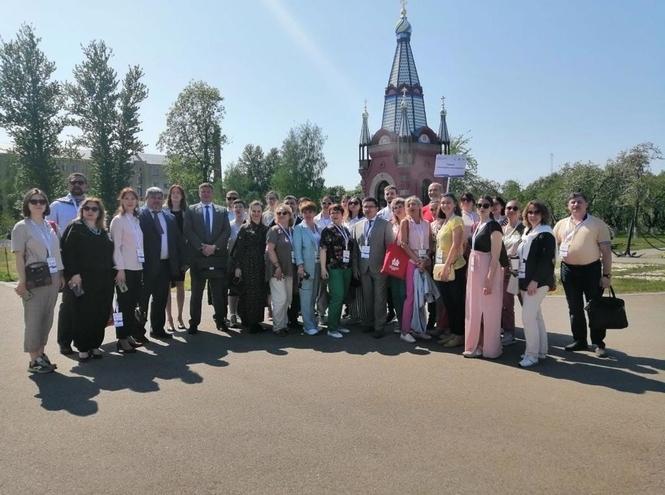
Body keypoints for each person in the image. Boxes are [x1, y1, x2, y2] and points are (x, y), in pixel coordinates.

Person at [553, 192, 613, 357]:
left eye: (579, 202)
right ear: (568, 206)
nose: (576, 205)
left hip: (591, 271)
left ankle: (598, 343)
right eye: (572, 202)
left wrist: (606, 275)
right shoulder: (560, 225)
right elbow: (552, 248)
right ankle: (579, 340)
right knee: (574, 308)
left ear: (587, 204)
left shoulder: (597, 224)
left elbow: (606, 252)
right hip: (568, 270)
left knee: (595, 308)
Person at [12, 189, 65, 373]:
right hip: (35, 278)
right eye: (33, 201)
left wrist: (61, 275)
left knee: (47, 318)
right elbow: (19, 257)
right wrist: (22, 281)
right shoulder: (22, 227)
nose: (38, 204)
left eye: (42, 201)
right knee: (33, 318)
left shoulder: (51, 226)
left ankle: (41, 354)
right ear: (27, 204)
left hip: (53, 276)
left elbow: (57, 253)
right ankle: (34, 359)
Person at [61, 197, 115, 362]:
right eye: (87, 208)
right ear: (82, 211)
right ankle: (83, 347)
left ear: (100, 212)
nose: (90, 211)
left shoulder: (102, 231)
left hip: (104, 279)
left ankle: (95, 344)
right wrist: (74, 274)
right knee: (83, 313)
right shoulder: (76, 227)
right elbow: (68, 252)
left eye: (94, 209)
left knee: (101, 311)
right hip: (83, 279)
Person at [47, 172, 88, 355]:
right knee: (69, 302)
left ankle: (85, 339)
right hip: (68, 260)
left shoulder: (92, 204)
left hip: (90, 261)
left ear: (86, 185)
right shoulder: (57, 206)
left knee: (87, 302)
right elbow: (49, 234)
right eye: (73, 182)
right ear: (68, 185)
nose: (77, 185)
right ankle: (65, 341)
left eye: (80, 182)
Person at [139, 187, 187, 340]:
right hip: (145, 265)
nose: (156, 200)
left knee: (160, 298)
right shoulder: (139, 215)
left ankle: (157, 329)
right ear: (146, 199)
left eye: (159, 198)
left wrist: (182, 261)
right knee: (142, 299)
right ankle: (138, 332)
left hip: (165, 265)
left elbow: (178, 240)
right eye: (153, 197)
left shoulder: (169, 218)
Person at [184, 182, 231, 335]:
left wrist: (214, 247)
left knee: (218, 292)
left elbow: (226, 231)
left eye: (208, 192)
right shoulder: (191, 210)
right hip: (198, 257)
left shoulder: (222, 211)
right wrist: (202, 246)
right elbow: (188, 230)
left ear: (213, 194)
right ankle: (194, 323)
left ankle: (220, 320)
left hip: (217, 256)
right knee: (196, 293)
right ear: (199, 193)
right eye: (203, 191)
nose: (205, 194)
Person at [463, 195, 503, 358]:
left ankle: (490, 348)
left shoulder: (494, 226)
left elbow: (495, 255)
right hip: (474, 269)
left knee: (489, 309)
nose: (482, 208)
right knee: (473, 308)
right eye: (479, 205)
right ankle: (474, 344)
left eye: (486, 205)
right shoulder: (476, 225)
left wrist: (489, 279)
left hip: (487, 268)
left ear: (491, 208)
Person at [517, 201, 556, 367]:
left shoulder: (545, 234)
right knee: (536, 316)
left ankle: (531, 355)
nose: (533, 215)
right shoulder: (527, 232)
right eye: (530, 212)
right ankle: (540, 351)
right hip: (525, 279)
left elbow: (546, 261)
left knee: (527, 317)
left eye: (537, 212)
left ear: (543, 214)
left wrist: (535, 281)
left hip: (538, 282)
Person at [351, 197, 394, 338]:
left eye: (371, 206)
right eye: (365, 206)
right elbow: (355, 249)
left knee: (380, 298)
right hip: (363, 268)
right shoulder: (357, 226)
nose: (368, 209)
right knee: (367, 298)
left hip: (380, 267)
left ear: (376, 209)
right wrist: (355, 267)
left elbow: (389, 248)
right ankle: (369, 322)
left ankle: (379, 325)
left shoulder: (385, 224)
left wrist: (386, 266)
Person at [109, 188, 144, 354]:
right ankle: (121, 338)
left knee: (131, 305)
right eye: (126, 198)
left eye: (133, 198)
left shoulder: (135, 220)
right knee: (123, 305)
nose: (130, 201)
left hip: (137, 268)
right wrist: (120, 268)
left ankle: (129, 334)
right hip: (124, 270)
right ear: (121, 201)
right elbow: (115, 247)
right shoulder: (118, 220)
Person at [434, 193, 467, 348]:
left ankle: (459, 335)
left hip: (454, 267)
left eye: (448, 202)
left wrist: (447, 266)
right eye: (442, 203)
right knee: (449, 303)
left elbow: (456, 245)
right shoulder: (445, 222)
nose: (445, 205)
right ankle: (454, 332)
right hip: (443, 268)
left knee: (457, 302)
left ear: (455, 204)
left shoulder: (456, 220)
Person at [398, 196, 432, 343]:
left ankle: (419, 329)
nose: (411, 206)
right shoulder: (405, 222)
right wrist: (417, 260)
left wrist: (425, 260)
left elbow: (430, 245)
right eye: (408, 204)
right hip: (412, 262)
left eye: (414, 204)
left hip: (424, 263)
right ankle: (405, 331)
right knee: (411, 297)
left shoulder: (426, 224)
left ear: (420, 206)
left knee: (421, 297)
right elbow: (403, 244)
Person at [233, 200, 269, 334]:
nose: (256, 213)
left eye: (259, 211)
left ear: (262, 212)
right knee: (249, 292)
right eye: (254, 211)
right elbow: (239, 249)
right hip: (247, 264)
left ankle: (256, 320)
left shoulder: (265, 229)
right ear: (250, 212)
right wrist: (238, 267)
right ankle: (249, 321)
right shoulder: (245, 228)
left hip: (261, 264)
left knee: (259, 292)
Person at [320, 203, 354, 338]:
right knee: (337, 296)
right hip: (334, 267)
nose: (334, 215)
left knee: (342, 296)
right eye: (332, 213)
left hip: (347, 267)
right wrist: (323, 268)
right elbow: (323, 249)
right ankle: (332, 328)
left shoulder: (345, 230)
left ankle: (337, 323)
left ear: (342, 214)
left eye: (337, 212)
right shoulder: (327, 230)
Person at [266, 203, 296, 336]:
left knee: (288, 299)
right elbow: (269, 249)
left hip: (290, 269)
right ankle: (277, 327)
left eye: (284, 213)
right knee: (280, 298)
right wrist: (277, 266)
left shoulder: (292, 231)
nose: (282, 215)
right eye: (279, 213)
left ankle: (284, 323)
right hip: (276, 269)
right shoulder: (274, 230)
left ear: (290, 215)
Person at [293, 201, 323, 335]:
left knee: (313, 296)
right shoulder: (299, 228)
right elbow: (297, 249)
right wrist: (300, 266)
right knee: (306, 296)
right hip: (305, 266)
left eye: (310, 211)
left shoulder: (318, 228)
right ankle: (307, 325)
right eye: (305, 212)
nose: (308, 214)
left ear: (314, 213)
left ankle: (313, 323)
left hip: (318, 265)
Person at [500, 200, 525, 345]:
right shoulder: (502, 229)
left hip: (521, 271)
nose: (511, 210)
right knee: (506, 305)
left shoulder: (525, 229)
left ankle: (533, 333)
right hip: (506, 271)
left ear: (520, 211)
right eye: (509, 208)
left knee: (527, 305)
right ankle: (509, 333)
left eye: (515, 208)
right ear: (504, 211)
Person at [164, 184, 187, 331]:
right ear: (170, 195)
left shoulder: (187, 212)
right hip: (167, 254)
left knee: (180, 285)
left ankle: (179, 317)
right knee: (166, 287)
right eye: (173, 193)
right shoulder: (164, 211)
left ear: (182, 196)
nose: (176, 195)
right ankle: (169, 319)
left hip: (181, 254)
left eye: (178, 192)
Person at [388, 197, 407, 330]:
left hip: (406, 260)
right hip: (393, 262)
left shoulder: (409, 223)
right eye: (395, 208)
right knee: (395, 293)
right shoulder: (391, 225)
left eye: (400, 206)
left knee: (404, 293)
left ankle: (407, 323)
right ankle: (401, 322)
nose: (398, 209)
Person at [227, 199, 247, 327]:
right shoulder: (229, 225)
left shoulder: (248, 225)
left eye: (240, 207)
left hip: (246, 261)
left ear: (245, 210)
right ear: (233, 209)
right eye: (236, 207)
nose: (238, 209)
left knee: (244, 288)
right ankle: (232, 314)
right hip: (233, 261)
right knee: (233, 288)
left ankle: (243, 313)